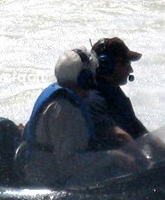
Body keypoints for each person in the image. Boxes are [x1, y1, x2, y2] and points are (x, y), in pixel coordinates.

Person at [17, 48, 140, 188]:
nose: (94, 80)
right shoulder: (65, 109)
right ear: (84, 78)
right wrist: (112, 156)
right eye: (92, 75)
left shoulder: (59, 99)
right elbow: (68, 164)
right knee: (123, 177)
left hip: (46, 175)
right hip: (51, 182)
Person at [90, 37, 148, 139]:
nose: (130, 69)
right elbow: (119, 138)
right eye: (126, 63)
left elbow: (142, 134)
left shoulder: (115, 92)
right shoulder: (94, 100)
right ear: (106, 65)